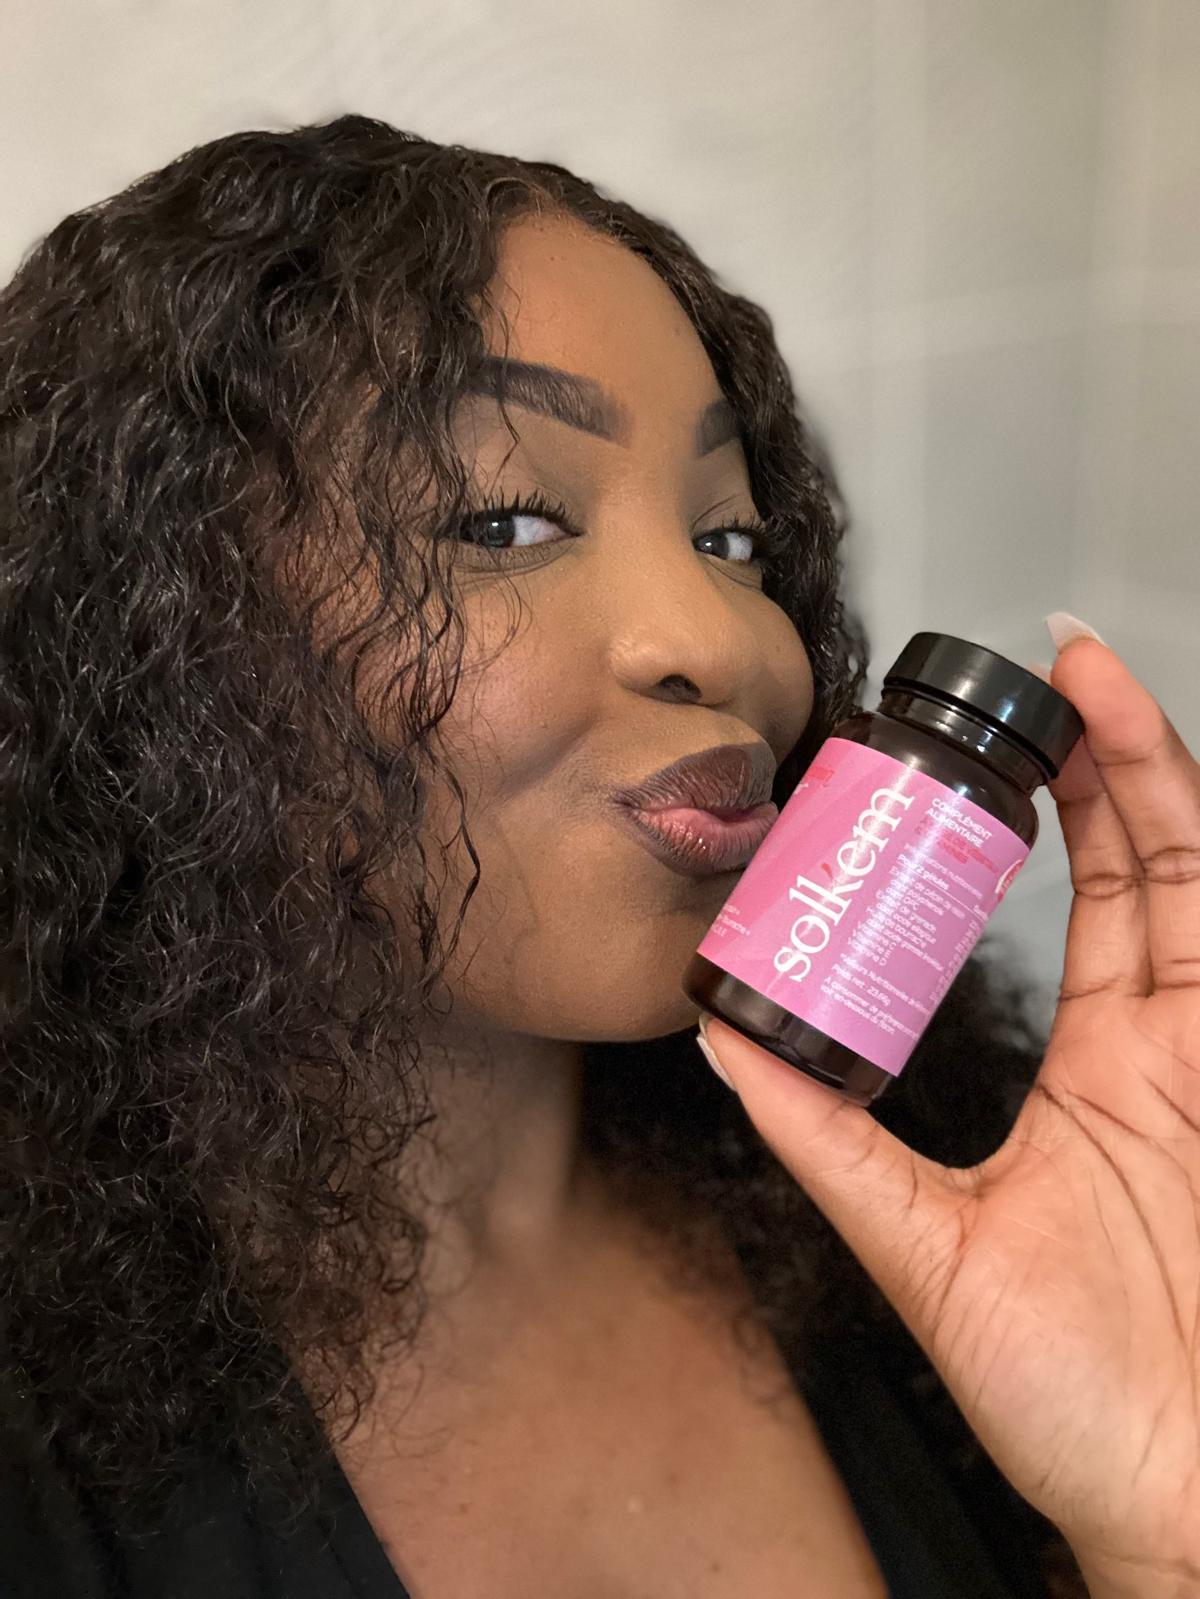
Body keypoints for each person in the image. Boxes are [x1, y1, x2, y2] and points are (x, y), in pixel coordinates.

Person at [2, 114, 1197, 1599]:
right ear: (159, 643)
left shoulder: (926, 1204)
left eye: (731, 541)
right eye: (503, 521)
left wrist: (1161, 1531)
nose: (717, 641)